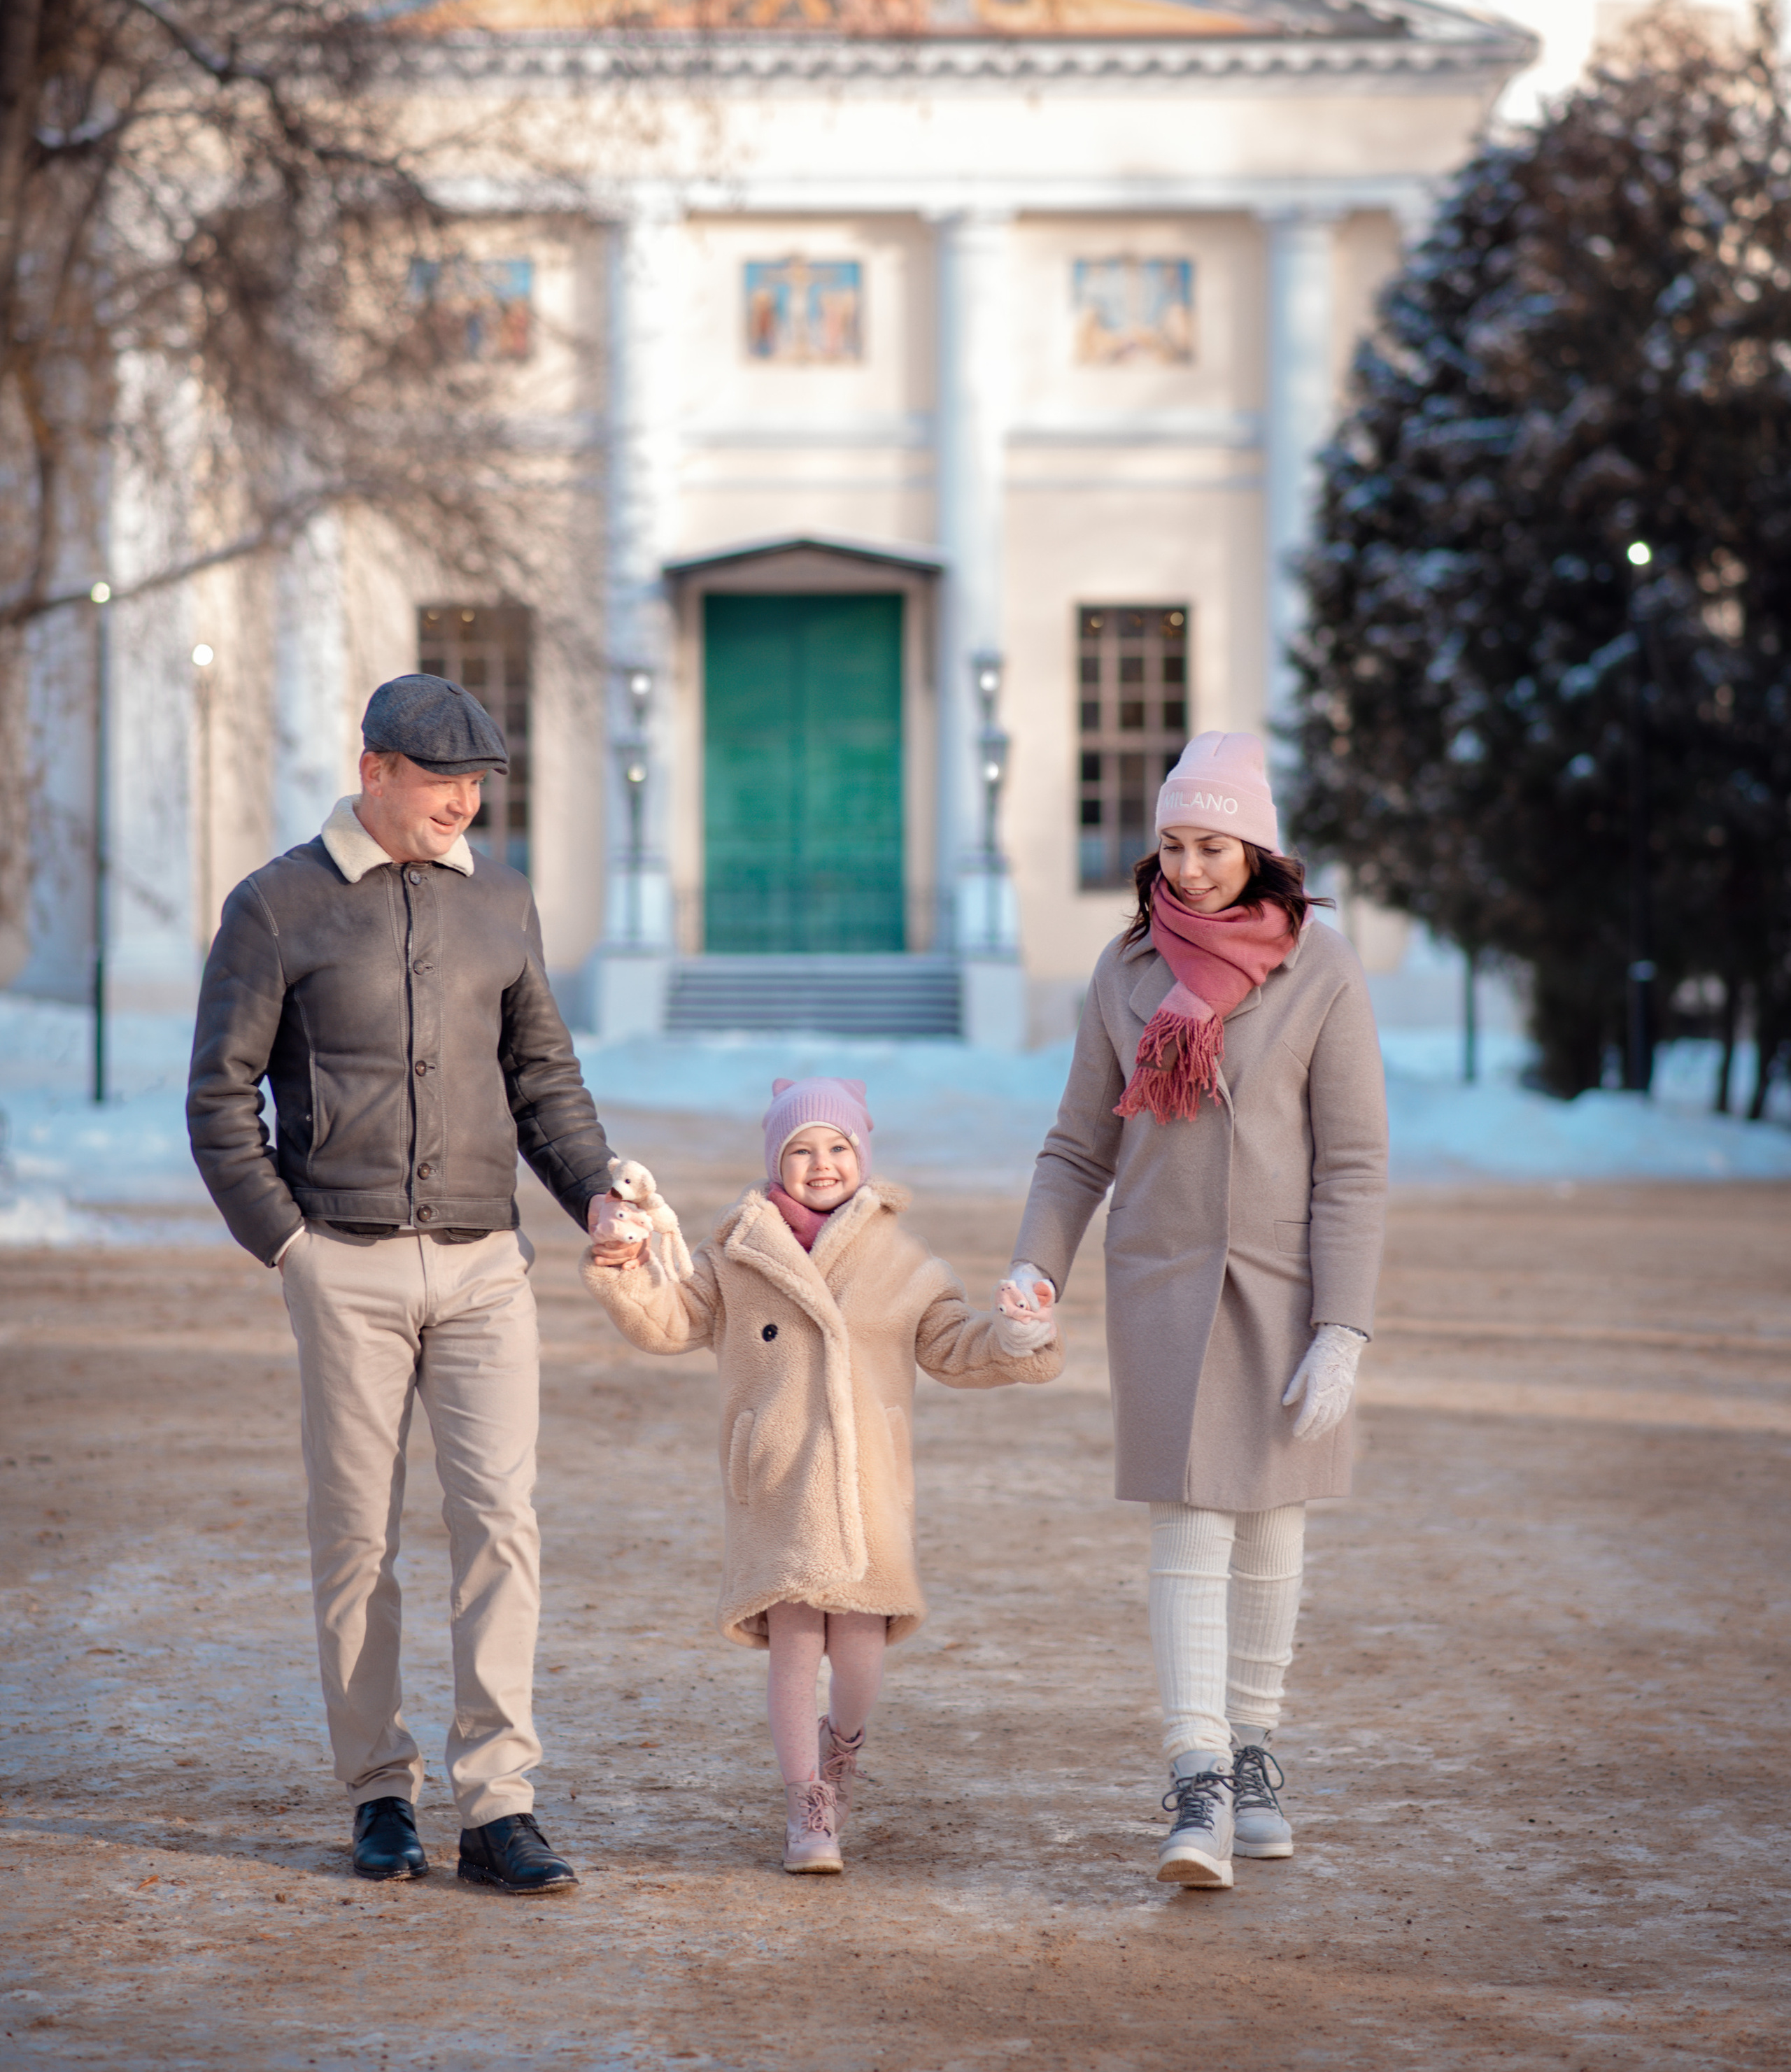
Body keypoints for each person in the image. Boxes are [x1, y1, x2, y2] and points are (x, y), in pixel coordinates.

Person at [187, 674, 618, 1893]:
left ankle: (498, 1806)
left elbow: (546, 1082)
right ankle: (379, 1791)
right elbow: (221, 1098)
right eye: (443, 781)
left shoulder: (504, 903)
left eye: (478, 783)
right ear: (373, 769)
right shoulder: (276, 906)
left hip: (488, 1265)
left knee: (501, 1527)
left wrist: (596, 1195)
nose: (464, 803)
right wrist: (291, 1247)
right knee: (357, 1540)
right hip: (346, 1264)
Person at [1002, 732, 1387, 1889]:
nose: (1189, 867)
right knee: (1187, 1524)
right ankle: (1197, 1777)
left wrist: (1347, 1328)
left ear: (1258, 848)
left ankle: (1256, 1750)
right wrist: (1035, 1267)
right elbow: (1079, 1145)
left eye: (1212, 847)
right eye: (1172, 845)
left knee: (1273, 1522)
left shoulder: (1321, 968)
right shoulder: (1124, 970)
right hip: (1164, 1280)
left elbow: (1356, 1162)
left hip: (1283, 1282)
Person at [582, 1076, 1062, 1872]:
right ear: (776, 1160)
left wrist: (1015, 1335)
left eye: (838, 1147)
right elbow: (671, 1321)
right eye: (800, 1149)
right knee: (796, 1642)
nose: (822, 1162)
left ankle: (842, 1752)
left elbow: (952, 1344)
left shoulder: (900, 1258)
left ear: (862, 1156)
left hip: (866, 1483)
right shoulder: (739, 1252)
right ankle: (806, 1800)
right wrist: (627, 1269)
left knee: (862, 1645)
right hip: (779, 1481)